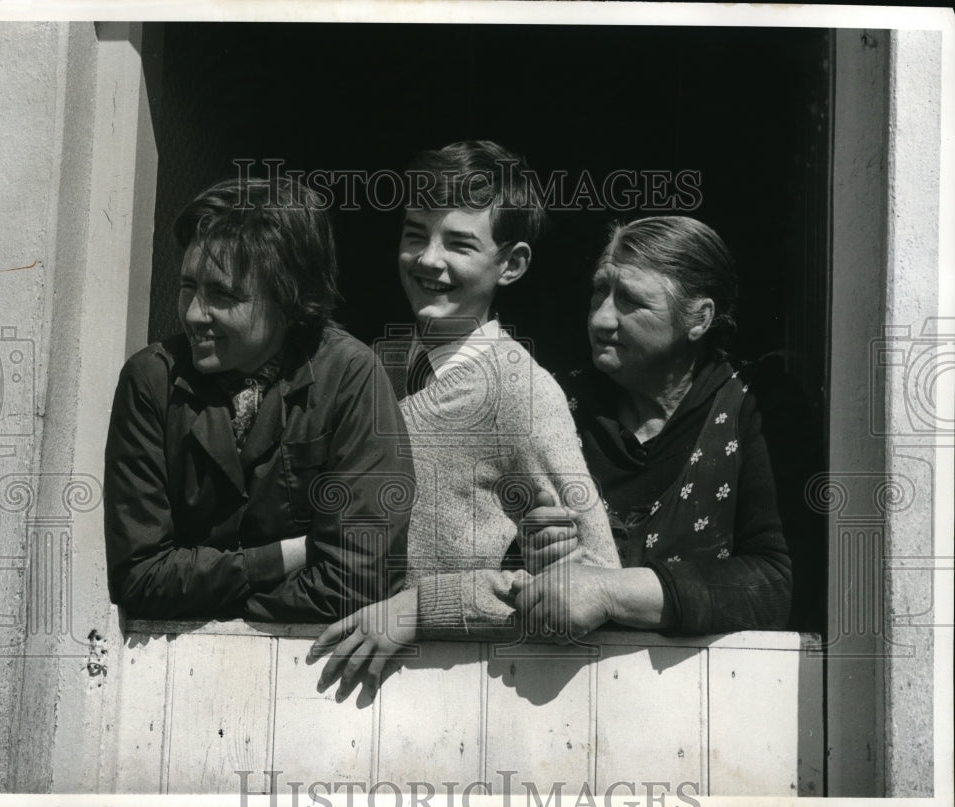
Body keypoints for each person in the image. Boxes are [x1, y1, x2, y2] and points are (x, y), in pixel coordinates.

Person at [309, 141, 621, 698]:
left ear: (513, 263)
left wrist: (423, 607)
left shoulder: (521, 393)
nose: (429, 259)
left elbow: (596, 576)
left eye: (459, 243)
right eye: (414, 234)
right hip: (323, 673)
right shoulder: (370, 370)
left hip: (452, 695)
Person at [103, 176, 414, 622]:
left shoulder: (349, 376)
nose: (194, 314)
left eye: (223, 295)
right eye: (188, 286)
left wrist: (204, 595)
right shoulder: (151, 380)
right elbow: (139, 579)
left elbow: (358, 585)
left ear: (288, 298)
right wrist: (291, 555)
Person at [515, 216, 805, 638]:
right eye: (599, 291)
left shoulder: (754, 404)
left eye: (630, 300)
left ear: (699, 319)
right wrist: (535, 553)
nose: (600, 319)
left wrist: (610, 592)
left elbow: (776, 584)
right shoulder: (555, 405)